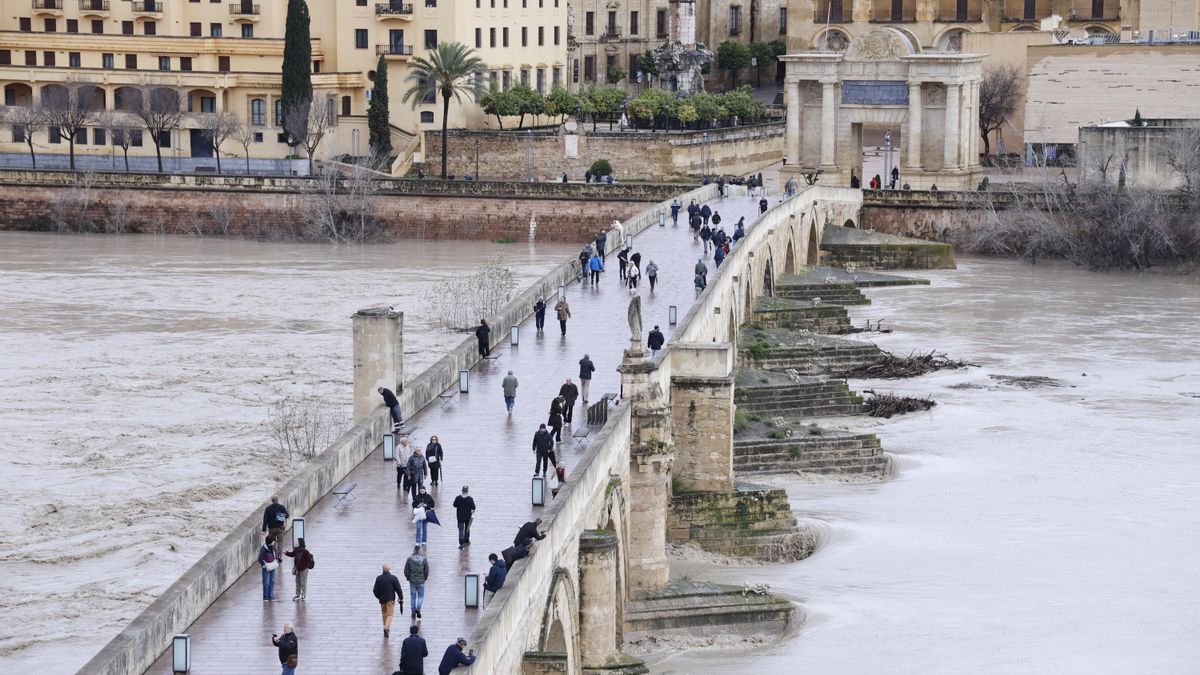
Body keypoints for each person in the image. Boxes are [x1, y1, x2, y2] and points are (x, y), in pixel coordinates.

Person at [373, 564, 404, 638]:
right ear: (389, 569)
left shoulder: (379, 578)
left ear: (383, 569)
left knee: (384, 614)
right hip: (390, 599)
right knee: (390, 615)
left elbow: (375, 590)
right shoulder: (393, 578)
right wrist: (401, 597)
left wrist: (379, 597)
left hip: (382, 600)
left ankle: (386, 628)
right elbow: (398, 589)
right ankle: (386, 628)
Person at [404, 545, 429, 619]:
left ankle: (413, 613)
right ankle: (418, 608)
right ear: (420, 551)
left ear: (414, 550)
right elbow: (426, 570)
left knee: (413, 597)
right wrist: (425, 578)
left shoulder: (409, 559)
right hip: (421, 581)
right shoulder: (424, 559)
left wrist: (408, 578)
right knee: (421, 596)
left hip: (412, 581)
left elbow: (406, 570)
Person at [260, 535, 279, 602]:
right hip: (267, 568)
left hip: (273, 566)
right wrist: (264, 565)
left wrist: (277, 559)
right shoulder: (264, 548)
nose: (275, 542)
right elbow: (260, 558)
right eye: (274, 540)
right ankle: (266, 597)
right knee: (266, 582)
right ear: (271, 541)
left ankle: (271, 596)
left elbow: (275, 554)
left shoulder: (273, 547)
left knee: (272, 581)